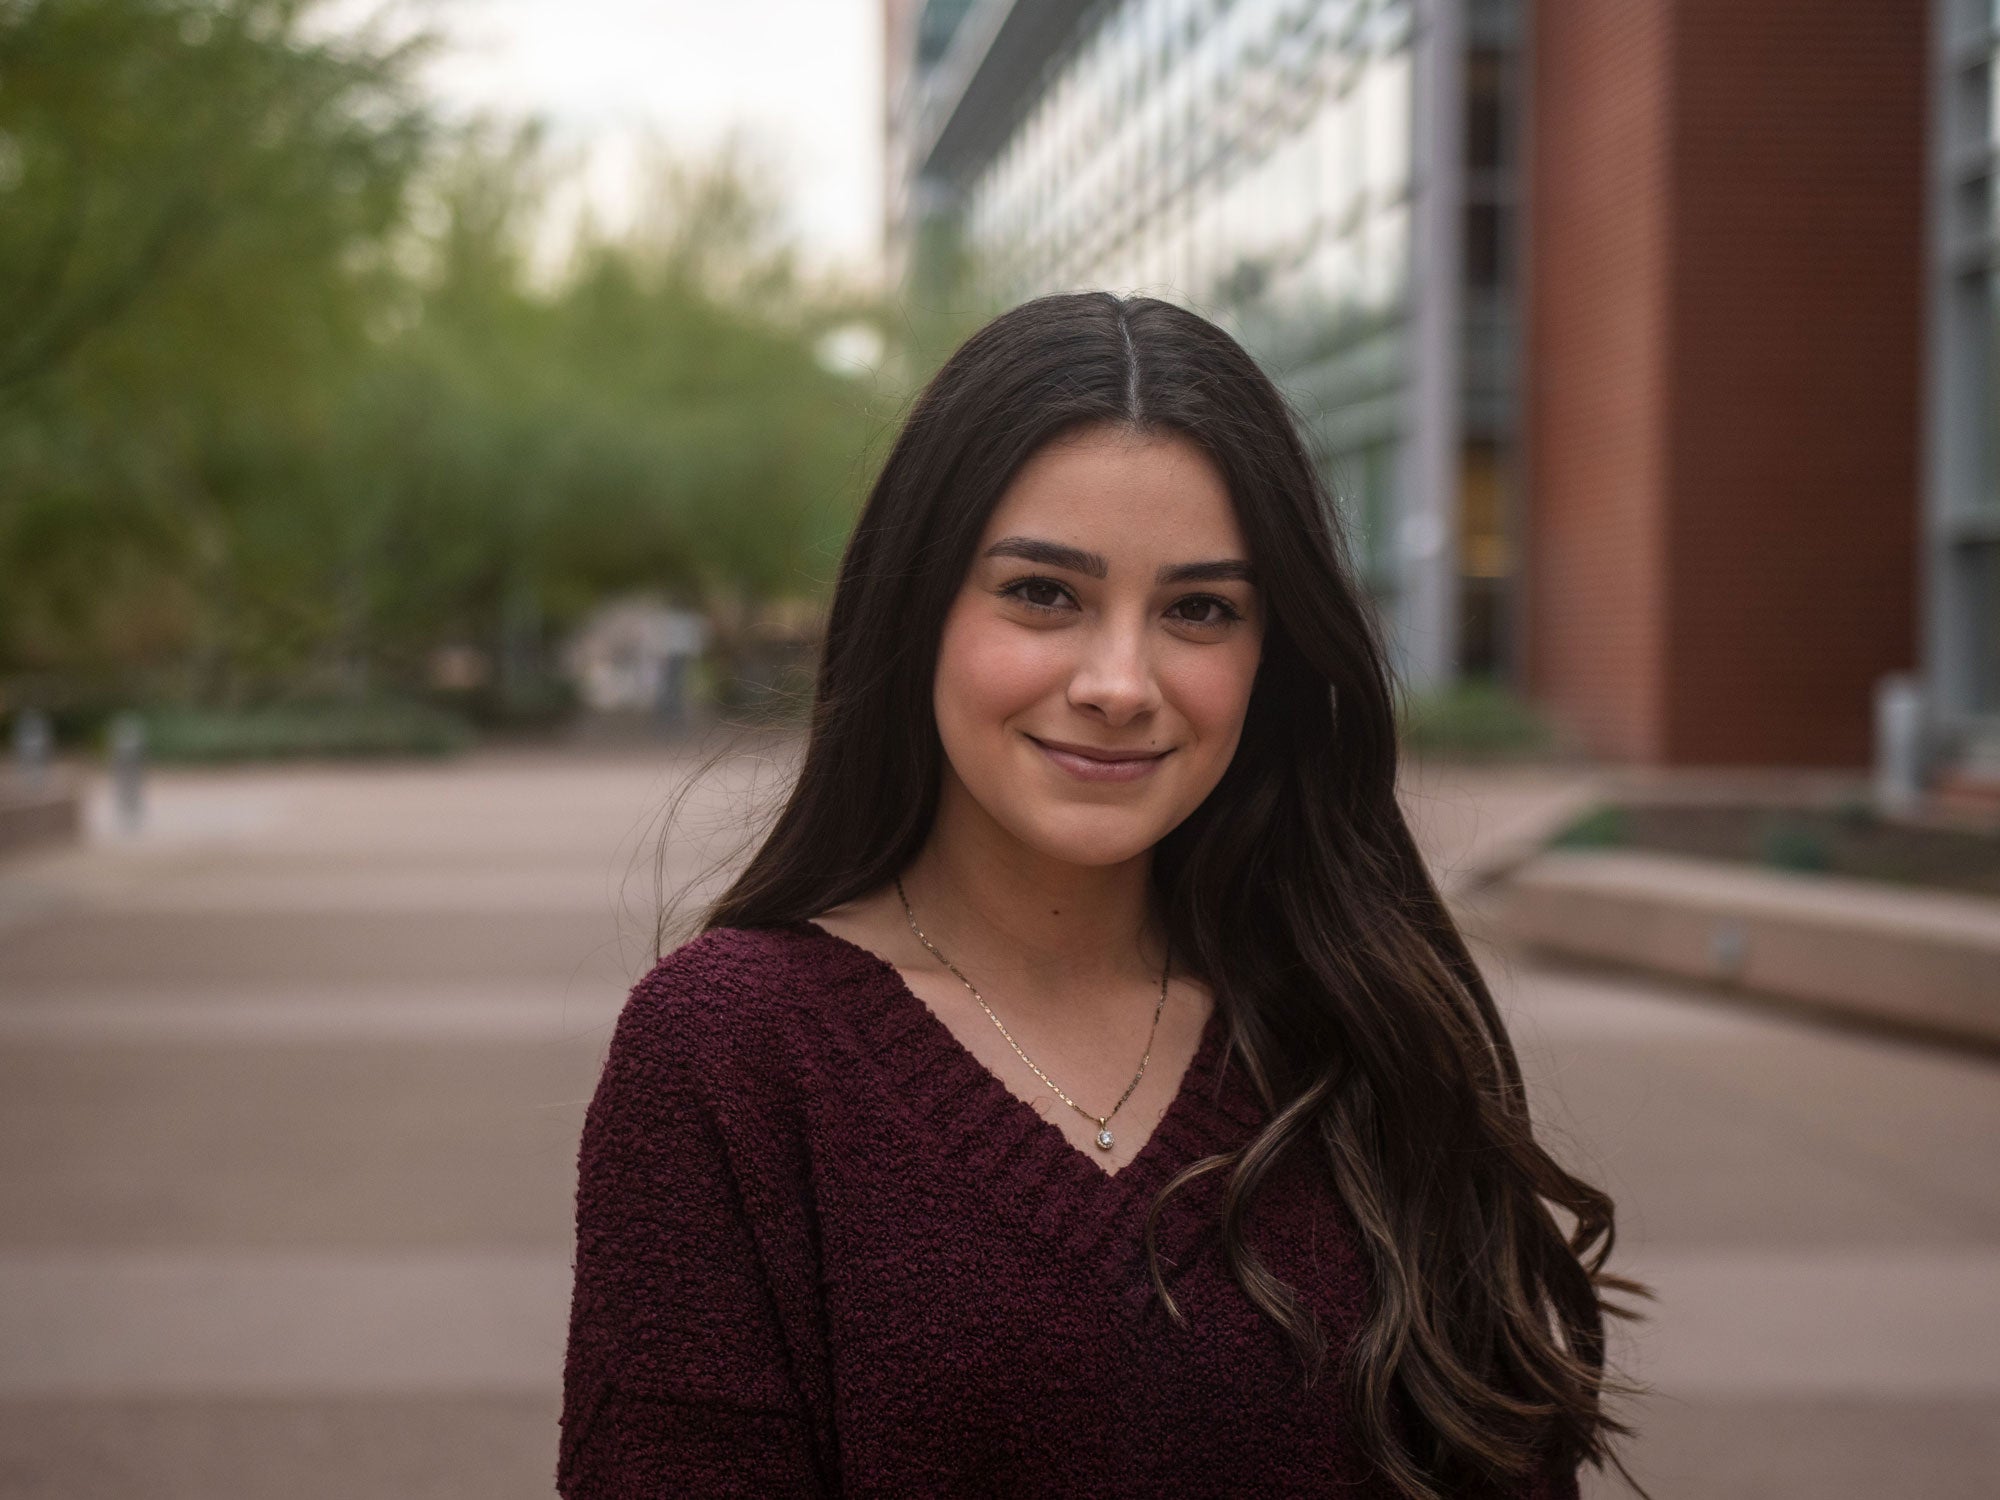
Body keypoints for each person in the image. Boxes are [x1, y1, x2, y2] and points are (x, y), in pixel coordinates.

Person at [558, 292, 1641, 1498]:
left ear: (1266, 658)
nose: (1119, 683)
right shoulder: (729, 1049)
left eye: (1197, 611)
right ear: (915, 612)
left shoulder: (1358, 1020)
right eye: (1042, 593)